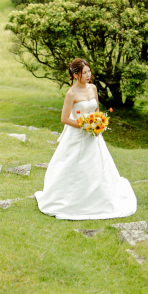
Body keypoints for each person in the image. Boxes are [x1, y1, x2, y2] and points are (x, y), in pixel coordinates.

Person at [35, 59, 137, 220]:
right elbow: (64, 119)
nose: (89, 75)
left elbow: (96, 109)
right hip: (77, 134)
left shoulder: (93, 88)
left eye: (89, 71)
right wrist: (83, 124)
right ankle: (70, 199)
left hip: (94, 135)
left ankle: (101, 197)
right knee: (73, 165)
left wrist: (98, 122)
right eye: (85, 73)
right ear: (76, 75)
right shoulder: (71, 93)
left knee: (98, 166)